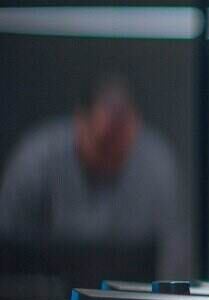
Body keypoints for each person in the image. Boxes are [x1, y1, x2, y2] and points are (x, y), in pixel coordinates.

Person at [0, 75, 190, 279]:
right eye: (104, 145)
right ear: (80, 123)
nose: (113, 156)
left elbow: (173, 256)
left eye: (122, 148)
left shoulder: (158, 166)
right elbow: (8, 246)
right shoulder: (37, 160)